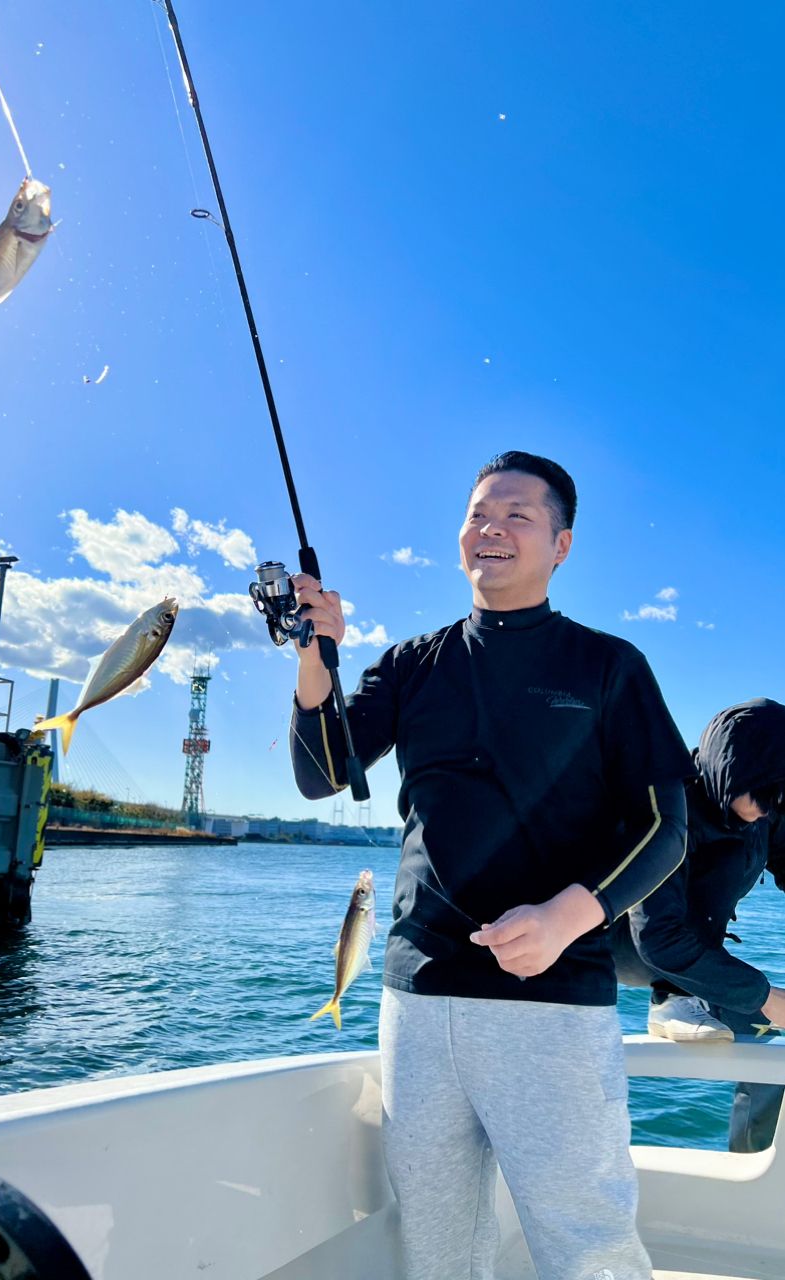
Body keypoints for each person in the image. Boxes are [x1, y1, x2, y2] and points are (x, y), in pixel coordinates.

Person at [289, 450, 694, 1280]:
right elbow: (320, 772)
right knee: (436, 1240)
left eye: (517, 515)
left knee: (586, 1239)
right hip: (417, 995)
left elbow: (666, 828)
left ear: (561, 545)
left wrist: (562, 919)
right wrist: (313, 659)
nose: (492, 529)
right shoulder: (412, 664)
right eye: (478, 512)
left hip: (552, 1003)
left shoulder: (609, 667)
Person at [611, 699, 785, 1152]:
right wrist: (765, 996)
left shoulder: (768, 805)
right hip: (620, 944)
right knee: (764, 1006)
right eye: (764, 797)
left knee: (769, 1041)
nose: (770, 811)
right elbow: (656, 935)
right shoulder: (666, 804)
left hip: (694, 947)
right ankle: (670, 996)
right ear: (732, 773)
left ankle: (752, 1164)